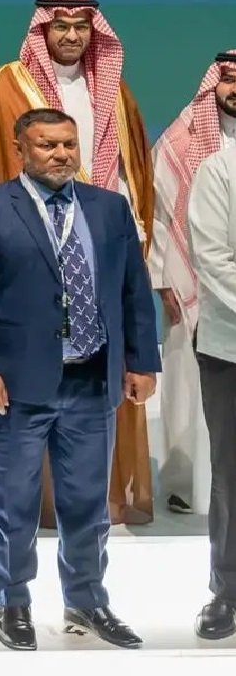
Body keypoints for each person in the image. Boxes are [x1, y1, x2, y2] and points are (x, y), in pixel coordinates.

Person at [0, 108, 159, 651]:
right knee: (12, 503)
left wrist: (142, 362)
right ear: (20, 149)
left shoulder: (109, 207)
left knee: (89, 504)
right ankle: (13, 601)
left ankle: (87, 600)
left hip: (92, 380)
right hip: (16, 386)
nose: (61, 154)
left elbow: (133, 290)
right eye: (47, 145)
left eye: (69, 144)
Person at [0, 0, 155, 526]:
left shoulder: (115, 92)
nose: (71, 36)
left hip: (96, 250)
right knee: (13, 495)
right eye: (60, 25)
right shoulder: (3, 86)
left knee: (90, 489)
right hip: (23, 257)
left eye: (81, 26)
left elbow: (133, 173)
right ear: (41, 29)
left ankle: (95, 540)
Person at [151, 52, 236, 517]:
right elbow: (159, 215)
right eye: (228, 78)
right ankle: (186, 485)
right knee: (189, 385)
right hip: (191, 284)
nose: (234, 88)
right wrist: (163, 277)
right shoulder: (181, 140)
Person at [186, 108, 236, 641]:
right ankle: (229, 591)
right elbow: (214, 258)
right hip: (231, 348)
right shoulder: (220, 169)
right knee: (233, 473)